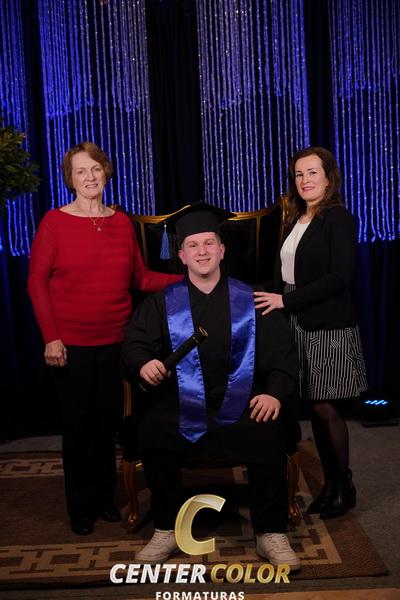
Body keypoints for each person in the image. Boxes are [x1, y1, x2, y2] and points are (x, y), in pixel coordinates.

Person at [121, 202, 301, 569]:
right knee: (153, 427)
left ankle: (270, 531)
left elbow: (283, 357)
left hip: (241, 400)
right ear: (182, 255)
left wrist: (273, 393)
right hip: (183, 402)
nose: (201, 251)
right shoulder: (163, 303)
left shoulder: (253, 299)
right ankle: (167, 527)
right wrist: (144, 363)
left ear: (222, 250)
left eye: (208, 243)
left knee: (268, 427)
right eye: (193, 245)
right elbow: (134, 346)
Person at [28, 141, 182, 536]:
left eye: (95, 169)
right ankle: (81, 507)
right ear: (70, 179)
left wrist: (188, 280)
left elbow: (140, 278)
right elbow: (37, 283)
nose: (89, 177)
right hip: (70, 345)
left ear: (106, 173)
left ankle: (103, 499)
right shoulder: (54, 222)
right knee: (78, 428)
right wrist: (51, 338)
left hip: (116, 342)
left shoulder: (121, 223)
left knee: (106, 426)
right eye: (81, 171)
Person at [254, 146, 368, 519]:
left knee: (325, 406)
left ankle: (342, 485)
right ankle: (332, 484)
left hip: (326, 324)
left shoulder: (339, 219)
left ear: (329, 177)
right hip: (295, 322)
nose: (305, 180)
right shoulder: (295, 219)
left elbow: (340, 276)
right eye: (299, 174)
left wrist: (287, 301)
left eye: (312, 172)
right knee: (313, 408)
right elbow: (284, 273)